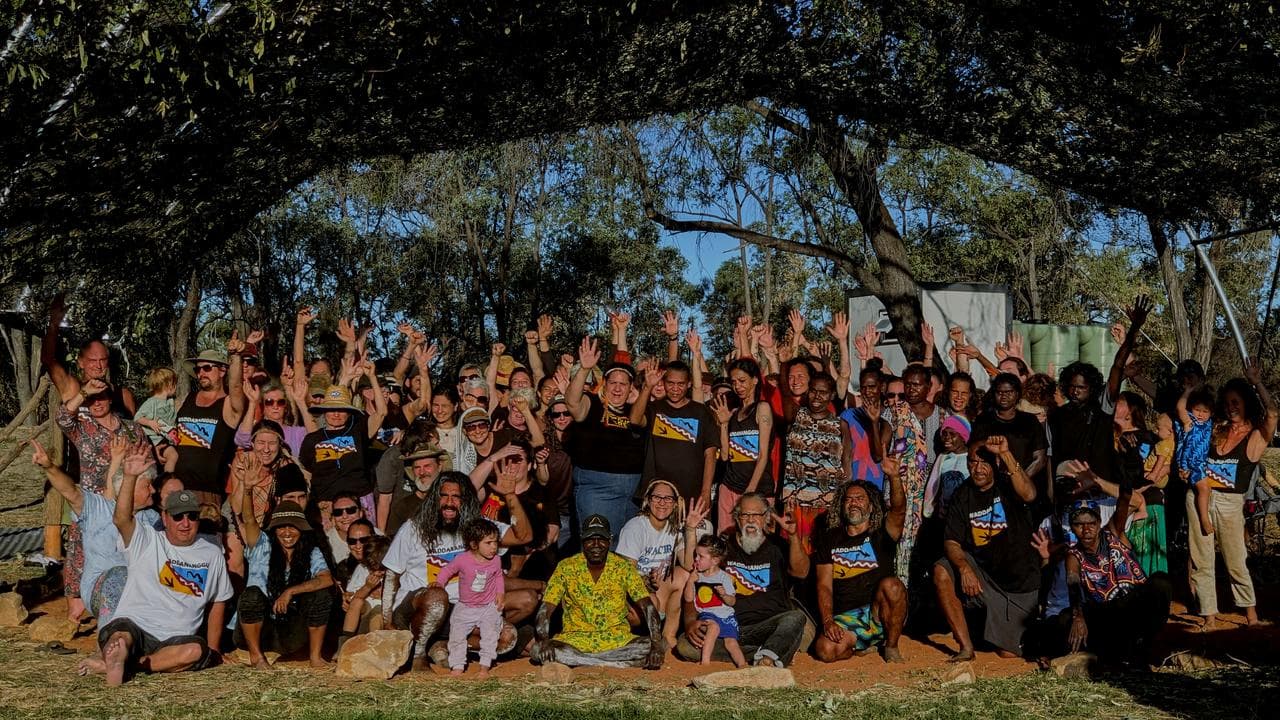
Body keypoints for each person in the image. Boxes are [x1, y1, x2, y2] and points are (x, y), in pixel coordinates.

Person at [83, 475, 232, 685]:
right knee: (121, 637)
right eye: (178, 517)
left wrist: (214, 651)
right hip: (136, 626)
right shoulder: (147, 540)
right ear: (164, 518)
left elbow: (218, 600)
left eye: (192, 516)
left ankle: (125, 664)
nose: (185, 523)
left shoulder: (212, 552)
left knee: (196, 650)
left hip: (175, 639)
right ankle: (120, 653)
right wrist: (131, 476)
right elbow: (121, 519)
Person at [380, 472, 535, 669]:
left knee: (507, 637)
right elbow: (392, 575)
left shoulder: (476, 527)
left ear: (466, 501)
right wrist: (387, 622)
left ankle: (446, 645)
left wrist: (510, 495)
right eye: (443, 496)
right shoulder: (413, 528)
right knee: (437, 597)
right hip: (416, 609)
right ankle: (418, 656)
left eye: (456, 497)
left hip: (461, 610)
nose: (449, 502)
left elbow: (523, 536)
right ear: (435, 499)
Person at [55, 377, 157, 621]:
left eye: (101, 397)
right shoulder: (83, 426)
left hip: (127, 499)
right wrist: (83, 392)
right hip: (92, 502)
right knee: (80, 550)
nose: (96, 403)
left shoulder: (132, 429)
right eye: (91, 399)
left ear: (111, 398)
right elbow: (62, 418)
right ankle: (77, 607)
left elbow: (148, 460)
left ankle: (124, 603)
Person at [933, 436, 1040, 661]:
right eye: (973, 462)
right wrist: (963, 568)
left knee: (1008, 654)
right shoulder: (962, 495)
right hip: (986, 578)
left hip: (1020, 584)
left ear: (995, 464)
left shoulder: (1008, 483)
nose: (978, 469)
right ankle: (965, 647)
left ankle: (992, 632)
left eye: (984, 463)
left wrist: (1005, 453)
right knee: (942, 570)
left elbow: (1029, 494)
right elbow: (951, 541)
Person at [676, 493, 813, 668]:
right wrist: (689, 621)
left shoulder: (778, 546)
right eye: (745, 515)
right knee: (686, 646)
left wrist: (793, 536)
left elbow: (801, 572)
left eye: (756, 515)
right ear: (736, 518)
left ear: (766, 518)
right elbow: (694, 580)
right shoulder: (722, 548)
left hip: (770, 624)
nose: (750, 520)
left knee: (794, 619)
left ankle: (769, 656)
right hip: (727, 627)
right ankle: (770, 652)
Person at [1187, 366, 1276, 628]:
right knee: (1201, 559)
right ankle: (1209, 617)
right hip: (1199, 497)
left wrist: (1257, 383)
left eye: (1235, 402)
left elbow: (1272, 413)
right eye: (1226, 403)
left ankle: (1251, 615)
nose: (1230, 408)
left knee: (1235, 559)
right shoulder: (1216, 429)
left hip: (1229, 502)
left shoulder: (1255, 436)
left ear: (1246, 403)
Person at [31, 439, 156, 624]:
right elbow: (70, 491)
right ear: (127, 487)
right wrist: (49, 467)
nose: (153, 490)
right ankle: (108, 639)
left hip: (141, 590)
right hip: (101, 587)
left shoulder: (154, 519)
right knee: (120, 576)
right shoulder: (98, 509)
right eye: (147, 485)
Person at [531, 514, 664, 669]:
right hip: (575, 640)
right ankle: (613, 664)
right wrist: (544, 639)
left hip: (617, 640)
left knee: (649, 645)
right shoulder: (566, 567)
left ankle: (584, 662)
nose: (596, 544)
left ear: (609, 540)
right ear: (582, 540)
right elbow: (545, 609)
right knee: (538, 649)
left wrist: (656, 643)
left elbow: (647, 606)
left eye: (601, 539)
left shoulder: (623, 567)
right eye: (590, 539)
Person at [813, 456, 909, 663]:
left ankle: (890, 647)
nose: (853, 503)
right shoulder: (829, 539)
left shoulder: (883, 532)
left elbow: (899, 510)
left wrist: (894, 477)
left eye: (860, 499)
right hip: (847, 618)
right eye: (848, 499)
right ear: (842, 506)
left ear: (872, 506)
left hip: (878, 613)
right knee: (825, 650)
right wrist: (828, 621)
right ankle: (862, 646)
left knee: (892, 586)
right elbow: (824, 586)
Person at [1064, 492, 1172, 661]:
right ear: (1072, 527)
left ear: (1099, 523)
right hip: (1111, 614)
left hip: (1136, 604)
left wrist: (1123, 484)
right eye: (1079, 525)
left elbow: (1123, 502)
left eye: (1091, 523)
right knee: (1067, 618)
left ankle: (1153, 640)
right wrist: (1078, 617)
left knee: (1160, 581)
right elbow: (1073, 583)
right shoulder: (1073, 555)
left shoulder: (1113, 532)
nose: (1086, 530)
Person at [231, 494, 333, 670]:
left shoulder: (311, 551)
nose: (287, 533)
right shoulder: (262, 545)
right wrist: (247, 489)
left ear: (301, 529)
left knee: (321, 595)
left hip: (289, 631)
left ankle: (315, 658)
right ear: (274, 529)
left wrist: (290, 591)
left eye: (293, 527)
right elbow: (248, 519)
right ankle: (256, 657)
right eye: (281, 527)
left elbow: (326, 579)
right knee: (252, 595)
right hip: (259, 627)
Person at [563, 336, 645, 546]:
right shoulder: (592, 404)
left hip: (633, 491)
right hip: (597, 489)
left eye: (623, 384)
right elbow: (572, 402)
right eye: (613, 383)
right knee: (598, 548)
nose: (617, 389)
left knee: (626, 552)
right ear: (604, 385)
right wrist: (584, 369)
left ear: (630, 389)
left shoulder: (636, 410)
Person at [616, 480, 711, 645]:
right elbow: (624, 574)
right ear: (648, 500)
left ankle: (669, 635)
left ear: (675, 504)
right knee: (651, 600)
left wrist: (690, 529)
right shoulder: (636, 527)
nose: (662, 502)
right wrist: (647, 582)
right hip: (632, 593)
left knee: (683, 575)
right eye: (657, 497)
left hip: (658, 588)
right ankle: (631, 637)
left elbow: (689, 565)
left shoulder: (673, 527)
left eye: (668, 498)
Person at [175, 336, 249, 517]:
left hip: (207, 493)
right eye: (198, 369)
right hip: (176, 487)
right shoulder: (186, 399)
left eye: (207, 368)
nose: (201, 373)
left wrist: (236, 357)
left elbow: (237, 386)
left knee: (206, 542)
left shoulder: (228, 404)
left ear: (223, 370)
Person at [629, 360, 718, 512]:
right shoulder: (654, 408)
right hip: (656, 496)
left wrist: (705, 491)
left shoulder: (702, 412)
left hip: (690, 496)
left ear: (689, 384)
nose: (675, 389)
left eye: (680, 384)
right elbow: (635, 420)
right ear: (663, 383)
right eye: (670, 383)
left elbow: (710, 455)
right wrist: (648, 387)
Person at [300, 369, 387, 517]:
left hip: (360, 502)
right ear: (324, 412)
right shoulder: (312, 439)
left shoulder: (359, 431)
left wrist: (372, 376)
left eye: (341, 410)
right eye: (331, 410)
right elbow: (307, 474)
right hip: (326, 505)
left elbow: (381, 412)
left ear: (349, 412)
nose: (336, 414)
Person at [778, 372, 849, 552]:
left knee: (823, 555)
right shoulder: (795, 415)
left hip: (827, 502)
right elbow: (785, 394)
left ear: (832, 395)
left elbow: (846, 462)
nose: (817, 396)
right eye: (813, 390)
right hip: (796, 502)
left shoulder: (840, 424)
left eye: (823, 392)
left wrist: (842, 499)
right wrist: (783, 365)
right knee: (794, 555)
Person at [435, 518, 506, 678]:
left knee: (490, 635)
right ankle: (457, 666)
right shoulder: (462, 559)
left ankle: (484, 668)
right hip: (465, 607)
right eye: (488, 543)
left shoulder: (496, 560)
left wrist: (500, 593)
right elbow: (447, 570)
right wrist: (439, 582)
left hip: (488, 606)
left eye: (495, 542)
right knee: (457, 636)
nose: (494, 547)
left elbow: (498, 576)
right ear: (474, 545)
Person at [712, 358, 775, 529]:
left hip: (758, 489)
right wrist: (724, 423)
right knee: (726, 538)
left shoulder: (762, 408)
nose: (738, 386)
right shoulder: (733, 413)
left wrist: (751, 490)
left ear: (755, 380)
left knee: (758, 540)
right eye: (734, 382)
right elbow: (725, 455)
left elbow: (763, 455)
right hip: (730, 486)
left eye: (742, 381)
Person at [686, 534, 746, 667]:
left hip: (726, 615)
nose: (696, 559)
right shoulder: (697, 577)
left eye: (701, 556)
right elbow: (688, 598)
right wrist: (690, 581)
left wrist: (724, 595)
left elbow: (732, 602)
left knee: (731, 642)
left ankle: (743, 666)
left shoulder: (724, 578)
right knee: (713, 627)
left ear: (715, 560)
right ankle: (705, 663)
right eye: (696, 555)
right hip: (708, 613)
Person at [340, 523, 389, 641]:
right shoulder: (361, 568)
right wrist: (368, 587)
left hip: (382, 610)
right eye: (373, 568)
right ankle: (345, 641)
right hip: (364, 609)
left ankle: (373, 645)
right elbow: (353, 597)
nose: (377, 572)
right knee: (356, 602)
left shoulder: (393, 573)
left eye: (381, 569)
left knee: (377, 617)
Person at [386, 444, 446, 538]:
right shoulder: (403, 507)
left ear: (439, 467)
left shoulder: (450, 501)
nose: (422, 472)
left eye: (427, 466)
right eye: (417, 468)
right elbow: (392, 541)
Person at [134, 367, 179, 471]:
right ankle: (168, 479)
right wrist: (150, 422)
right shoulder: (151, 402)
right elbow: (137, 417)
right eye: (174, 384)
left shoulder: (170, 402)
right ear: (168, 385)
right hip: (155, 440)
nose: (176, 387)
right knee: (173, 456)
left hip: (168, 438)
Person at [1175, 383, 1215, 488]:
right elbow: (1180, 408)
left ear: (1211, 413)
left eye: (1205, 411)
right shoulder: (1190, 421)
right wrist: (1188, 391)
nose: (1200, 414)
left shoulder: (1210, 424)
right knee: (1202, 489)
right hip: (1186, 465)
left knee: (1203, 489)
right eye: (1197, 410)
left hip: (1202, 465)